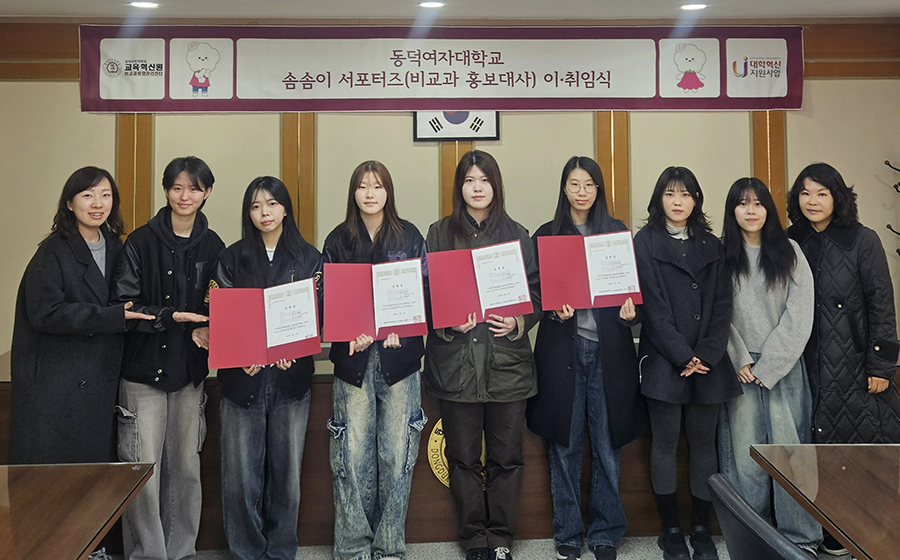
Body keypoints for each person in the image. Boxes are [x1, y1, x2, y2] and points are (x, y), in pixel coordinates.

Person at [8, 167, 154, 560]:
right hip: (55, 387)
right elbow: (46, 313)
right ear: (70, 203)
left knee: (94, 477)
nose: (97, 204)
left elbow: (131, 303)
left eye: (105, 195)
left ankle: (94, 550)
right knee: (56, 481)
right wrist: (112, 317)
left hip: (99, 382)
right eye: (87, 195)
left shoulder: (118, 248)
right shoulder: (52, 252)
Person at [527, 156, 645, 560]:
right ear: (564, 188)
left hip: (610, 354)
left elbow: (636, 298)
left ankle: (606, 532)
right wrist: (552, 311)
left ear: (599, 190)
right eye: (575, 184)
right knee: (565, 444)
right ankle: (568, 531)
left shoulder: (617, 233)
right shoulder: (546, 235)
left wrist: (631, 313)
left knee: (608, 443)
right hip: (563, 350)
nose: (582, 192)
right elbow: (535, 298)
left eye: (589, 184)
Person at [424, 150, 540, 560]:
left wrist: (518, 321)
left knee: (508, 458)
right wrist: (447, 321)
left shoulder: (518, 235)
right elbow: (424, 294)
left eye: (484, 180)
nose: (477, 188)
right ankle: (475, 538)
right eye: (469, 180)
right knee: (462, 458)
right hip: (455, 365)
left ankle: (502, 538)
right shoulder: (438, 234)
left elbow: (537, 292)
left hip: (506, 365)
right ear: (459, 187)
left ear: (496, 185)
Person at [111, 156, 225, 560]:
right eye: (177, 187)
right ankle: (148, 554)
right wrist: (169, 317)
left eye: (194, 188)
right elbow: (124, 306)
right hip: (143, 371)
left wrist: (208, 328)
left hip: (189, 372)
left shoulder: (214, 246)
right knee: (143, 468)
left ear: (207, 193)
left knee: (186, 467)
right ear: (165, 191)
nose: (185, 196)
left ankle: (181, 551)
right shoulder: (140, 241)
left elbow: (221, 304)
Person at [786, 162, 900, 556]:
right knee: (811, 449)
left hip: (852, 362)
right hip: (802, 362)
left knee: (857, 448)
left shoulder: (862, 239)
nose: (813, 201)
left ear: (838, 197)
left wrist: (881, 364)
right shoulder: (791, 240)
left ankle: (856, 532)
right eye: (805, 193)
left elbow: (882, 303)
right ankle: (821, 529)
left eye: (822, 193)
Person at [209, 176, 323, 560]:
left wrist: (295, 347)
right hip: (242, 381)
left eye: (272, 204)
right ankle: (246, 551)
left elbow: (319, 312)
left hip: (292, 380)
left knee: (287, 476)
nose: (265, 213)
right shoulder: (231, 257)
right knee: (240, 476)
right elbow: (219, 315)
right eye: (256, 206)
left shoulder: (309, 258)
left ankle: (281, 551)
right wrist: (242, 353)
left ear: (285, 208)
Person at [633, 166, 740, 560]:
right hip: (665, 359)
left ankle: (701, 528)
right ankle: (670, 530)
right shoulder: (644, 242)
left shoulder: (713, 244)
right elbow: (652, 306)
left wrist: (706, 354)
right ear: (658, 199)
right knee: (664, 443)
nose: (678, 202)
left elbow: (723, 306)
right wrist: (683, 354)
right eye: (670, 194)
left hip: (709, 362)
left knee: (703, 443)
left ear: (696, 200)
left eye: (685, 194)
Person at [323, 160, 428, 560]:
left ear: (388, 192)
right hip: (353, 362)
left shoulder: (410, 236)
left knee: (397, 455)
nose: (370, 193)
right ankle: (353, 548)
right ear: (353, 192)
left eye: (378, 186)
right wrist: (349, 329)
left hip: (400, 360)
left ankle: (389, 547)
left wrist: (406, 327)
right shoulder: (337, 240)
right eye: (363, 186)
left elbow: (424, 291)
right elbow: (327, 300)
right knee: (351, 456)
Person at [717, 177, 820, 557]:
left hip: (784, 366)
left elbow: (800, 312)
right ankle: (752, 542)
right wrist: (740, 357)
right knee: (744, 458)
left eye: (758, 203)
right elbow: (715, 312)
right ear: (732, 210)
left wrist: (771, 363)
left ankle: (802, 540)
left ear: (769, 210)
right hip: (739, 367)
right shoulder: (721, 253)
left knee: (792, 455)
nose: (751, 210)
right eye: (742, 203)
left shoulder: (790, 251)